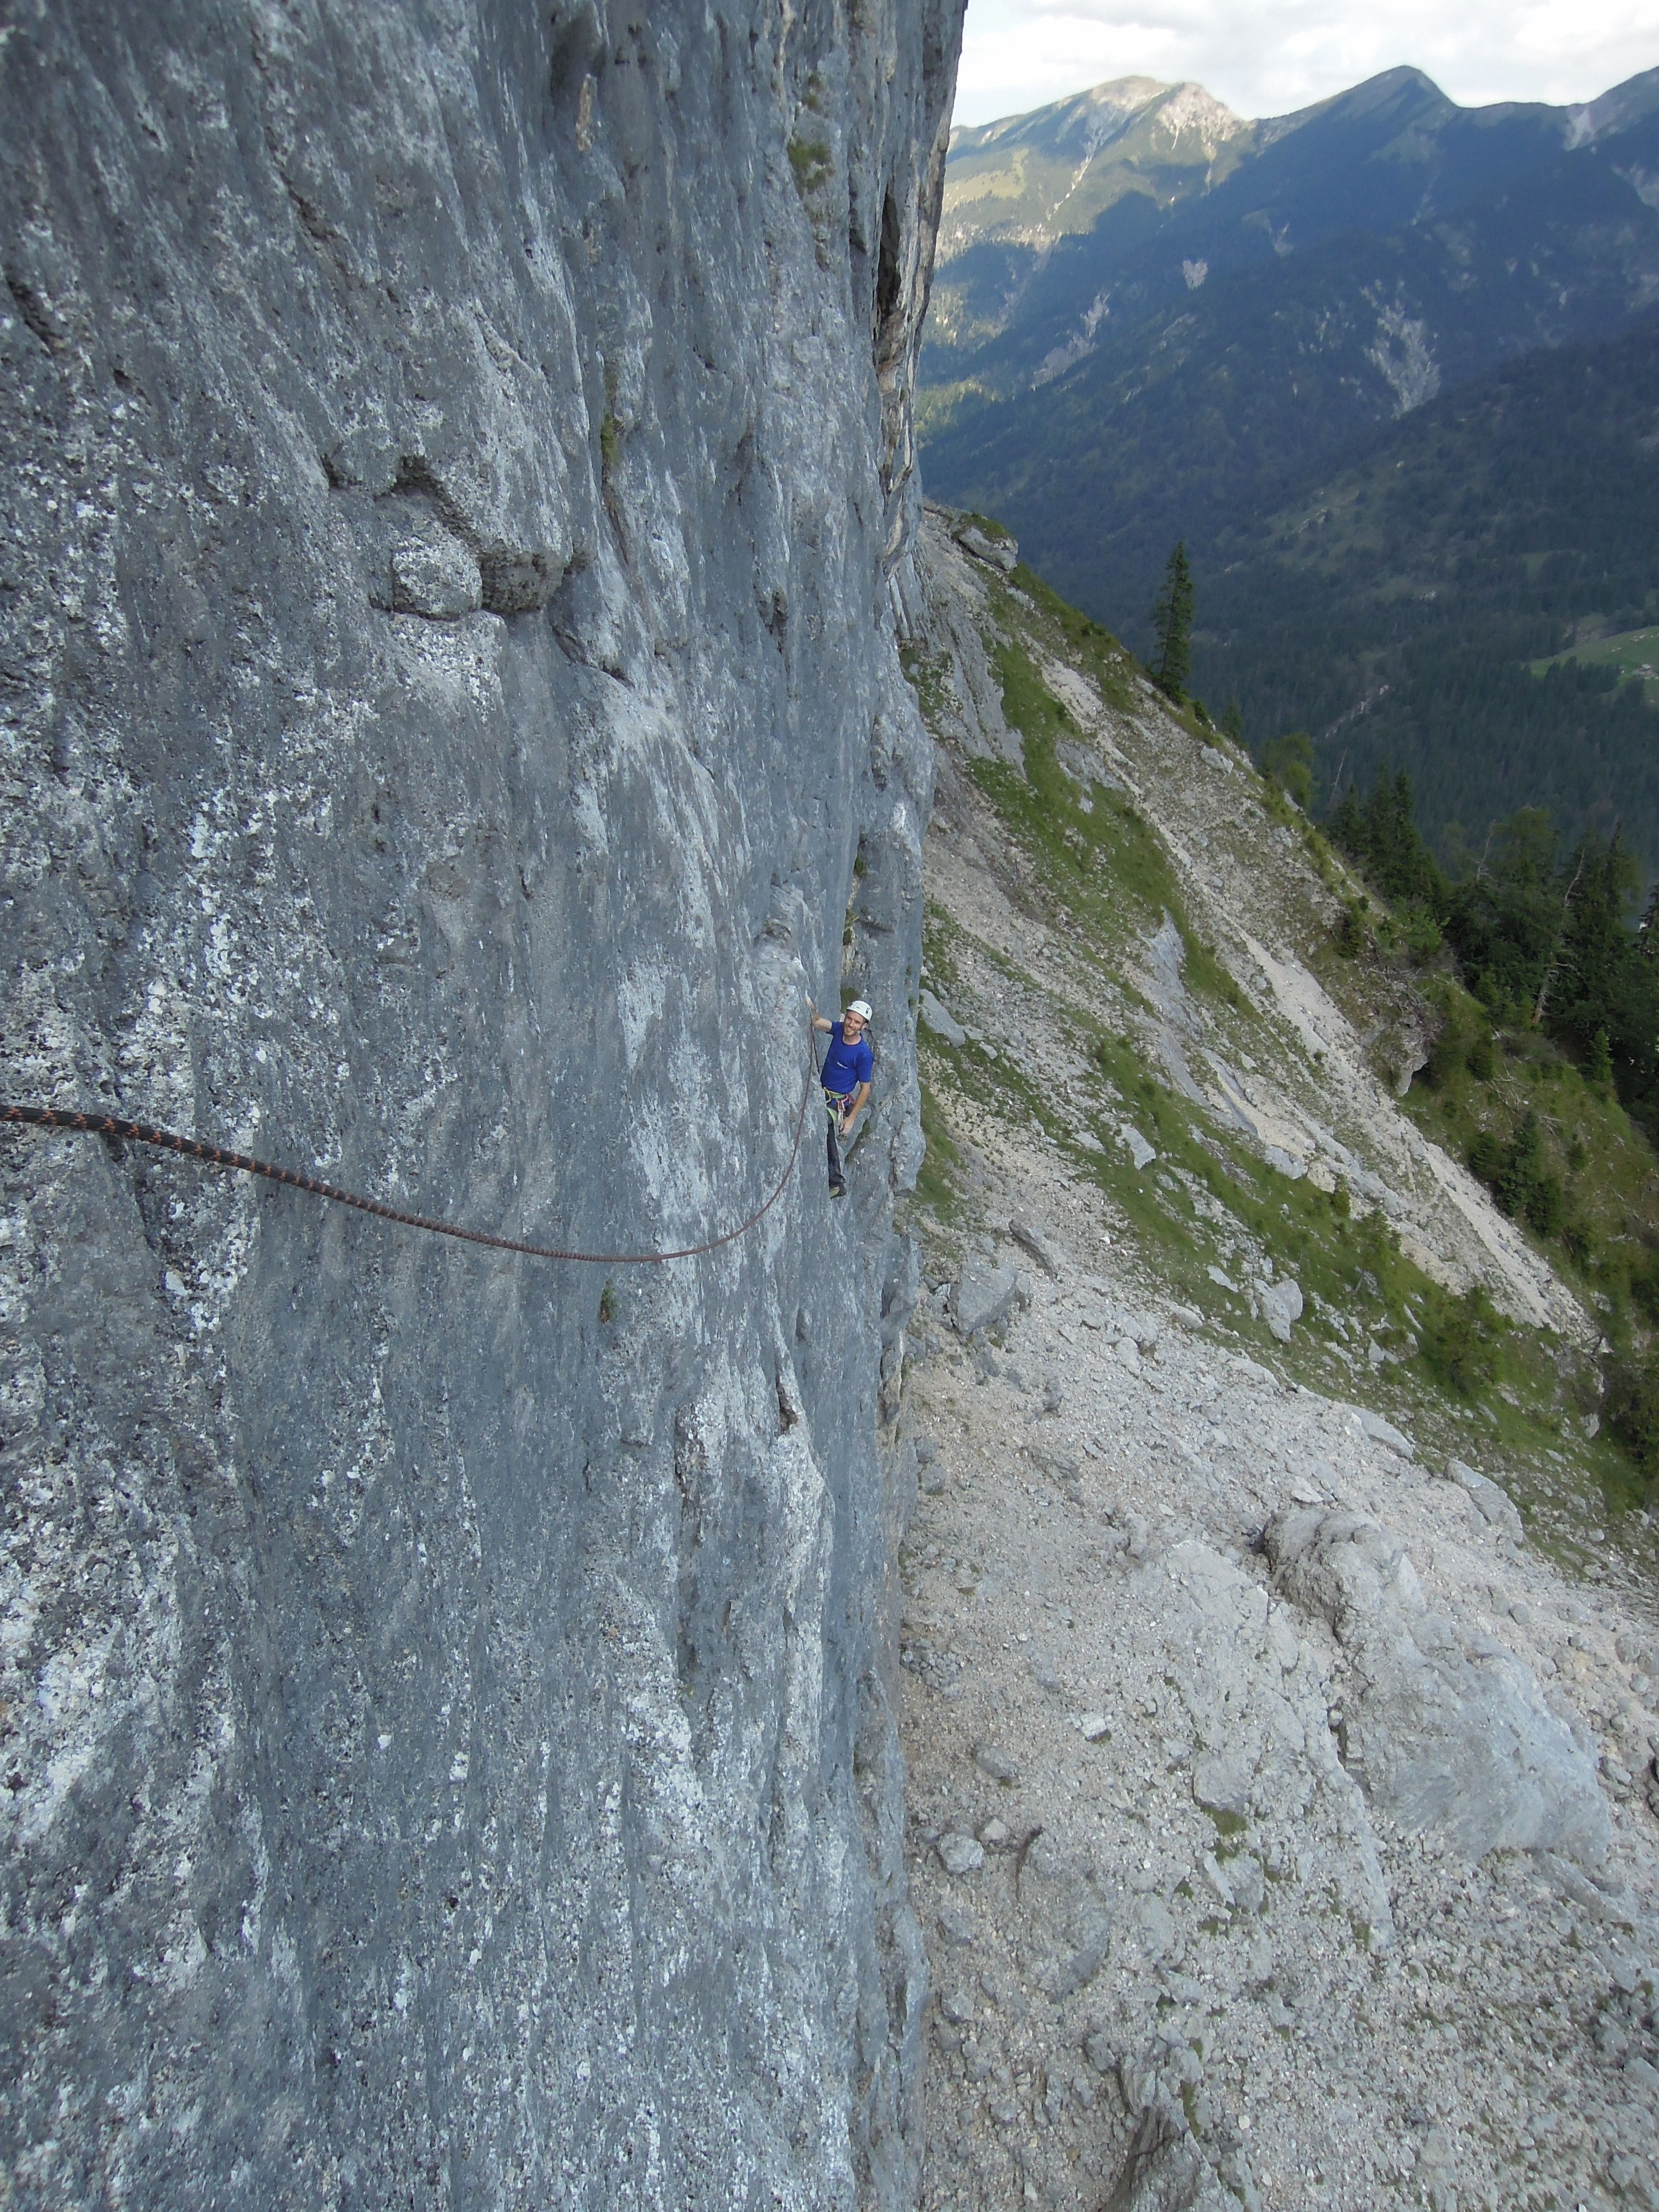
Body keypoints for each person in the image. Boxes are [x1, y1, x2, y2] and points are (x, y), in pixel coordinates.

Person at [809, 997, 873, 1198]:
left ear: (863, 1026)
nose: (851, 1024)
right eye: (850, 1019)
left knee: (825, 1125)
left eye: (856, 1022)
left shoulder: (863, 1055)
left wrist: (851, 1119)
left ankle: (836, 1182)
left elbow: (865, 1089)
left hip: (836, 1100)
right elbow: (818, 1022)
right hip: (822, 1091)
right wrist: (812, 1008)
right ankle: (836, 1182)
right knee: (824, 1127)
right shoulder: (838, 1030)